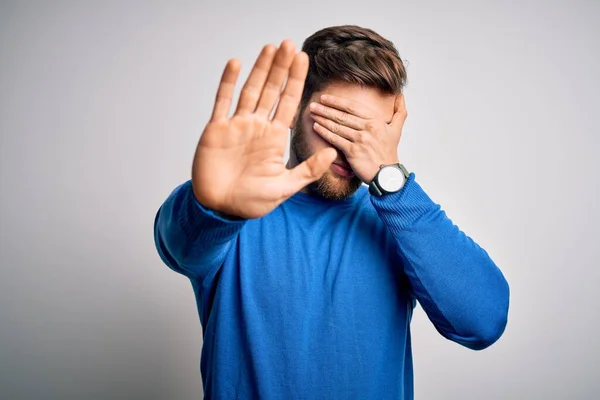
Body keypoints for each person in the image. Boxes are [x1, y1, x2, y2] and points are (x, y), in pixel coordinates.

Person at [153, 25, 510, 400]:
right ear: (294, 110)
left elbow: (482, 322)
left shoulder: (399, 223)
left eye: (365, 134)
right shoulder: (234, 210)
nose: (347, 150)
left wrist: (393, 182)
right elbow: (178, 245)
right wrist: (213, 207)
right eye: (335, 124)